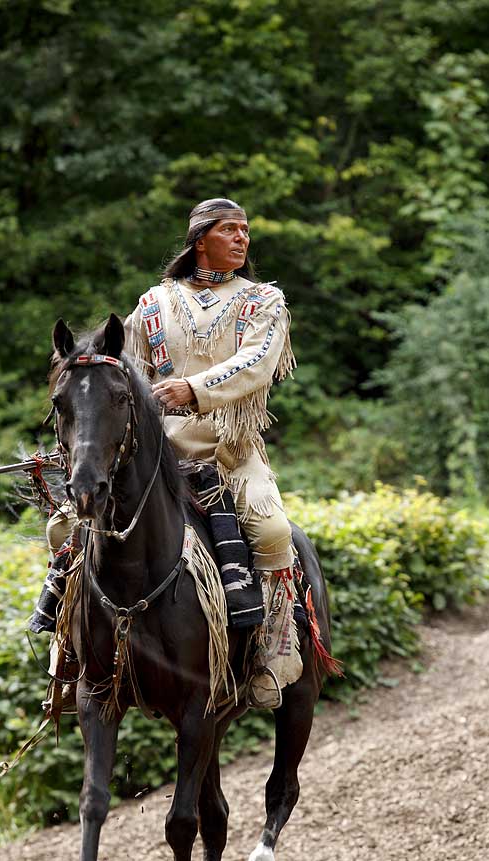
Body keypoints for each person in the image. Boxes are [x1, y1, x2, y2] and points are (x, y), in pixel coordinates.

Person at [124, 197, 301, 709]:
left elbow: (257, 362)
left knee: (272, 530)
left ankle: (276, 649)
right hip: (157, 454)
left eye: (246, 231)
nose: (243, 238)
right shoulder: (154, 303)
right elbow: (129, 372)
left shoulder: (263, 301)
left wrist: (193, 389)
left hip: (230, 450)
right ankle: (70, 652)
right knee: (72, 525)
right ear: (201, 240)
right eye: (230, 230)